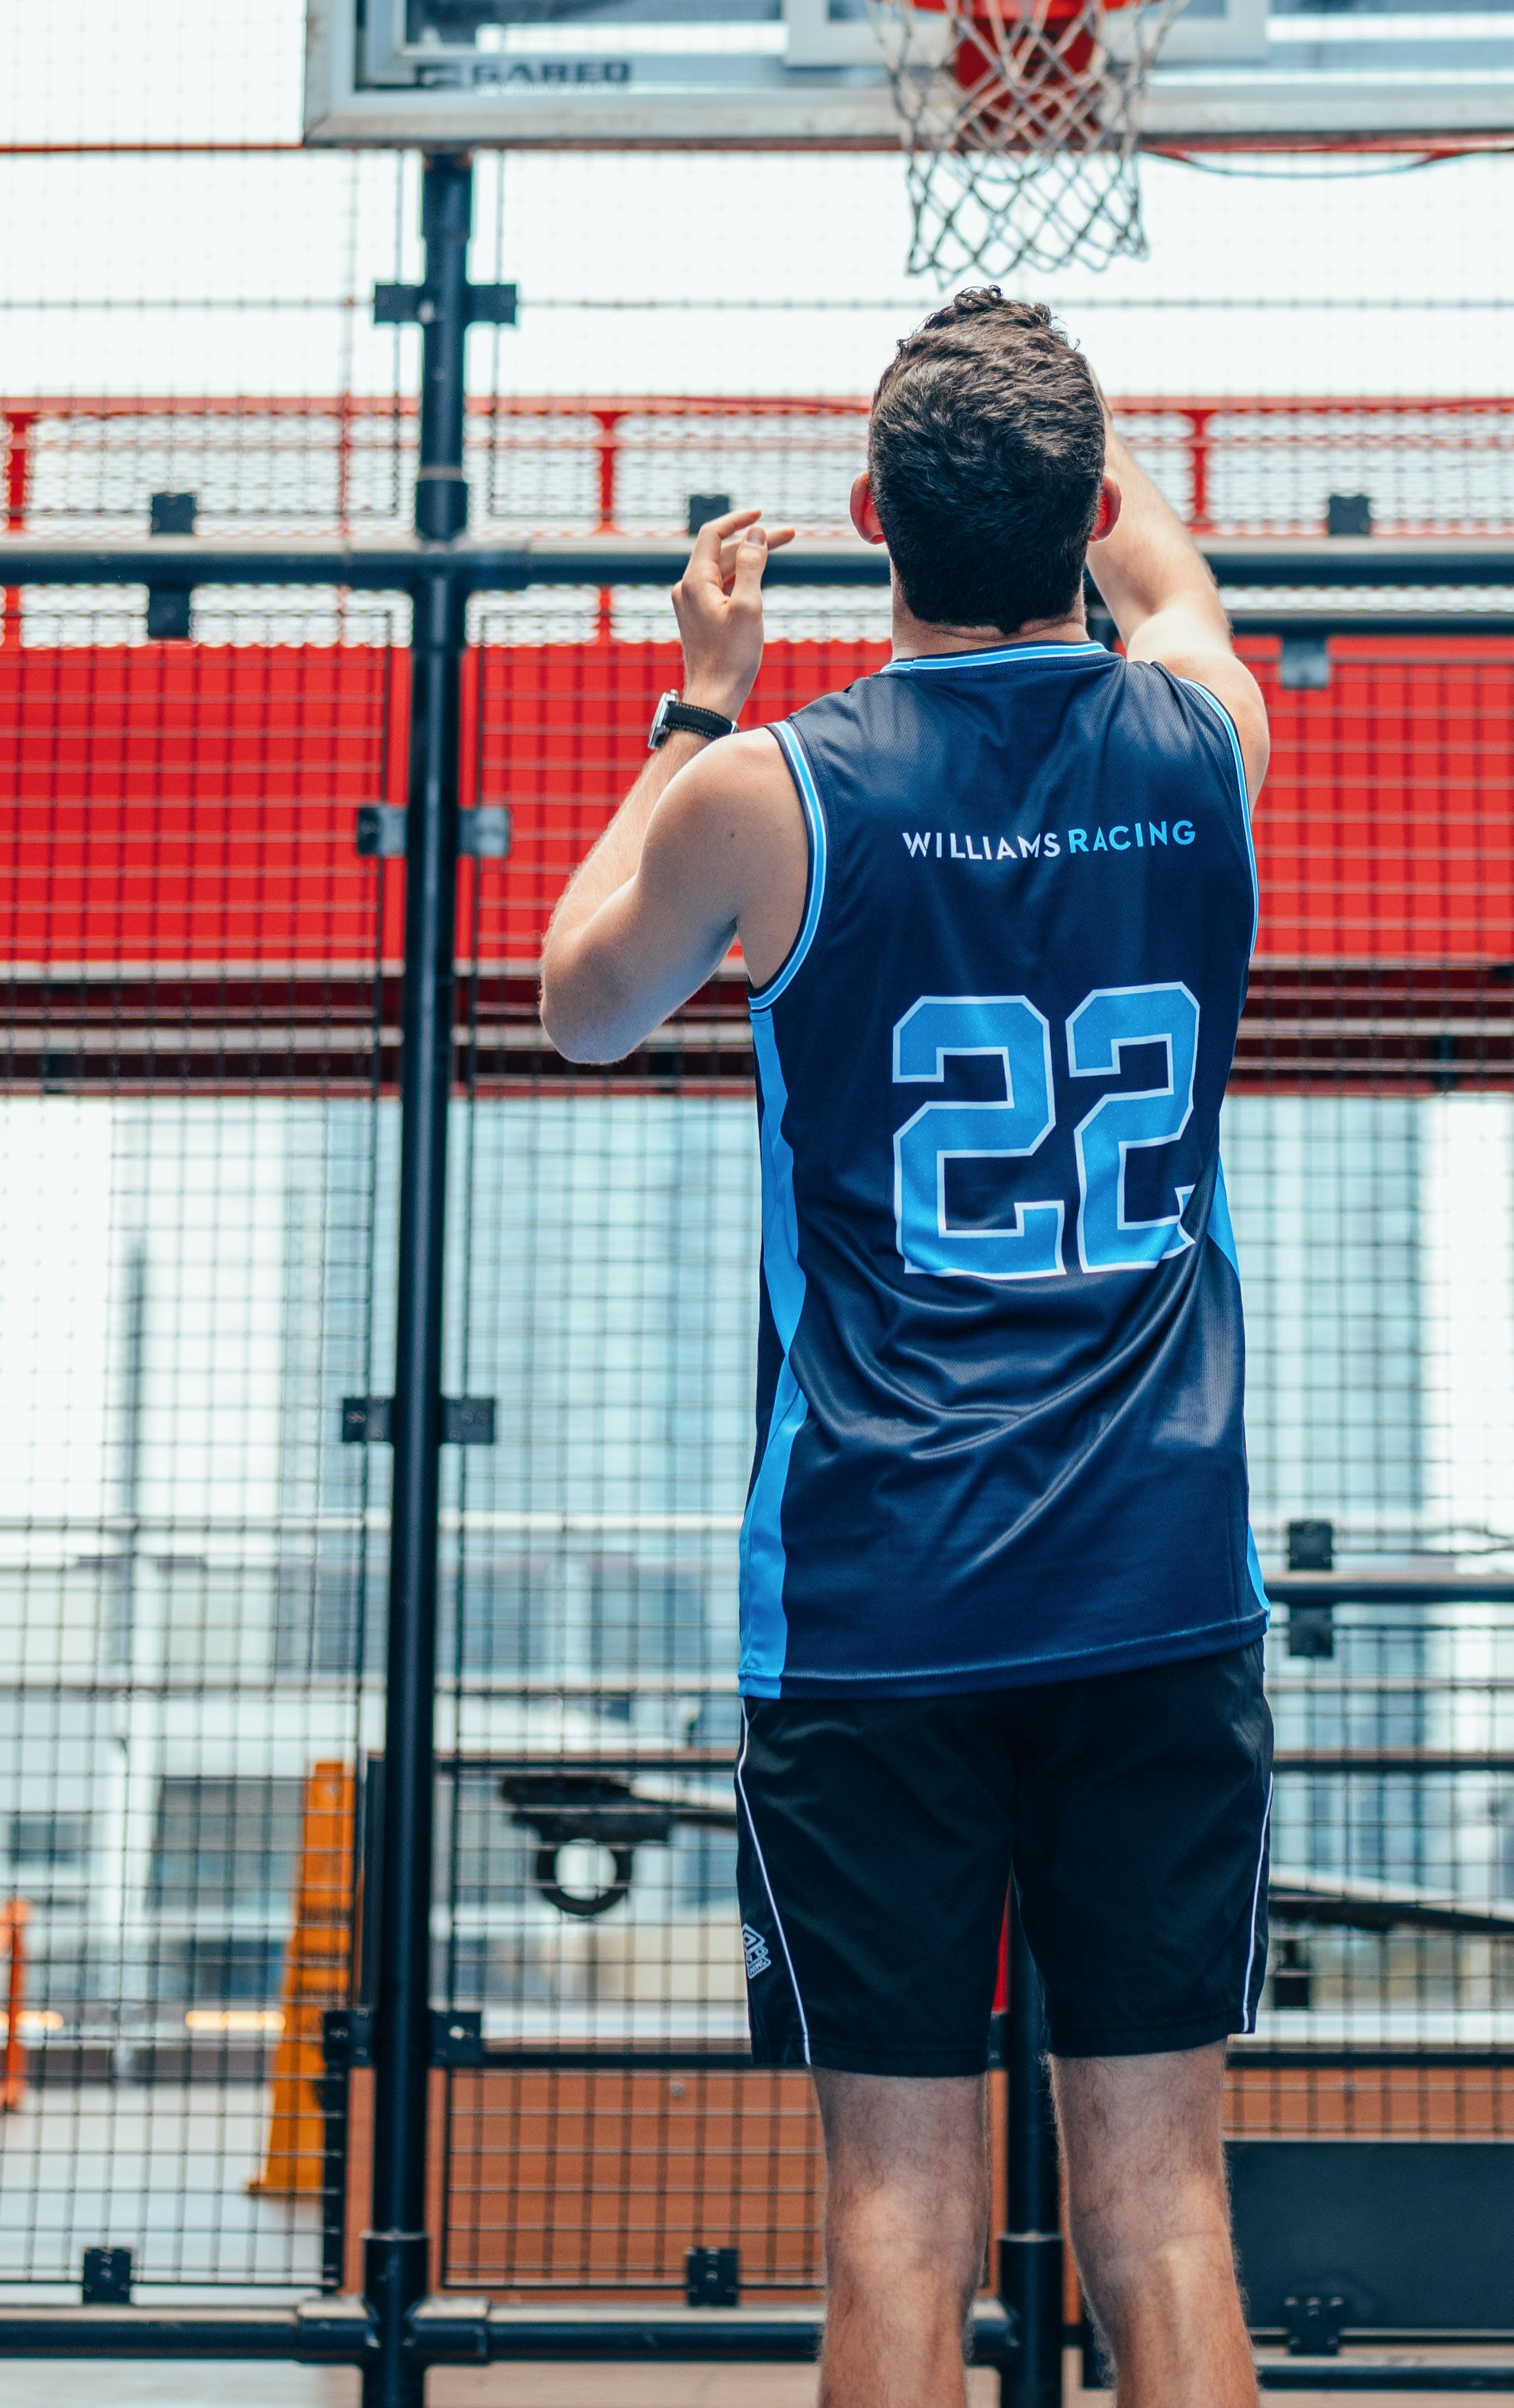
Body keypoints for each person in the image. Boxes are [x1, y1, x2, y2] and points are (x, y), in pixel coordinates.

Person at [539, 289, 1272, 2408]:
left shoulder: (762, 791)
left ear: (867, 518)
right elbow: (1174, 587)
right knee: (1165, 2215)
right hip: (1156, 1575)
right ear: (1093, 509)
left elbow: (579, 1005)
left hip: (878, 1594)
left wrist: (692, 695)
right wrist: (1086, 465)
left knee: (895, 2218)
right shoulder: (1209, 737)